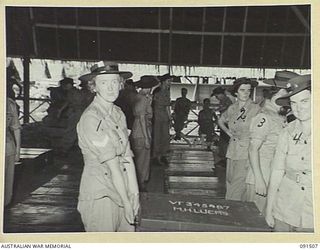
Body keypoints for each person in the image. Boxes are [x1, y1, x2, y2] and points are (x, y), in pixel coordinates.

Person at [76, 61, 139, 232]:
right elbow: (112, 166)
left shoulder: (118, 113)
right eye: (103, 83)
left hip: (122, 188)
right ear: (94, 86)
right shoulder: (91, 118)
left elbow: (126, 157)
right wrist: (126, 202)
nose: (110, 88)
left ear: (120, 84)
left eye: (114, 82)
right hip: (101, 194)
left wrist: (134, 194)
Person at [244, 71, 297, 215]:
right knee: (256, 220)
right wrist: (259, 179)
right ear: (277, 93)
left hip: (272, 174)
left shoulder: (279, 116)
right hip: (261, 175)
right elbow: (252, 149)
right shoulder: (264, 117)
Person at [265, 74, 313, 232]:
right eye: (294, 103)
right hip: (285, 207)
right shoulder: (287, 132)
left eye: (304, 101)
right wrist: (269, 208)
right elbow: (277, 171)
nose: (299, 108)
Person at [218, 77, 260, 201]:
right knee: (230, 181)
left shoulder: (255, 109)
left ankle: (231, 210)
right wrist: (228, 132)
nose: (246, 93)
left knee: (238, 185)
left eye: (248, 90)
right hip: (232, 150)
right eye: (242, 90)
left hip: (246, 151)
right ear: (236, 92)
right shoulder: (232, 108)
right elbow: (221, 120)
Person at [131, 76, 160, 191]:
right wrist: (146, 137)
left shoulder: (140, 97)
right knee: (142, 160)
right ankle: (140, 183)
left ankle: (139, 182)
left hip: (138, 130)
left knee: (141, 159)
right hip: (141, 132)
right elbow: (142, 118)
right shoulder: (143, 99)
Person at [5, 85, 21, 207]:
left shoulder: (9, 104)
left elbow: (16, 128)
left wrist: (17, 152)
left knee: (7, 188)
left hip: (7, 147)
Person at [152, 73, 173, 166]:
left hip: (164, 117)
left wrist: (170, 117)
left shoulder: (167, 91)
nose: (170, 83)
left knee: (165, 136)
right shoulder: (156, 91)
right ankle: (156, 157)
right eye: (168, 81)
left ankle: (163, 155)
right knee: (157, 136)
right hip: (157, 116)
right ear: (163, 82)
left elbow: (168, 106)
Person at [211, 86, 233, 159]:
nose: (216, 98)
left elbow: (226, 108)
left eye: (217, 96)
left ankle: (225, 157)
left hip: (228, 124)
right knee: (223, 140)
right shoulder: (222, 101)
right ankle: (223, 156)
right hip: (224, 123)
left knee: (226, 141)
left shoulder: (227, 101)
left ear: (221, 94)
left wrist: (216, 110)